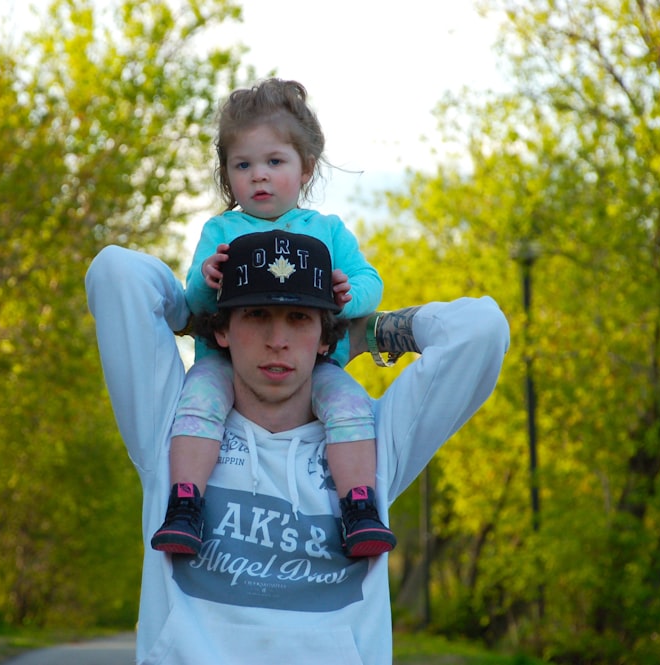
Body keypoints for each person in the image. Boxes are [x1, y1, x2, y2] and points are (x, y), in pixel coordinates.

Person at [85, 229, 510, 665]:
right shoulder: (173, 432)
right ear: (224, 329)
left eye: (300, 318)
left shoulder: (368, 447)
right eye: (255, 314)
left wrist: (372, 331)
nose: (277, 339)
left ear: (325, 337)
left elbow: (481, 331)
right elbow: (117, 272)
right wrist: (195, 312)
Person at [154, 78, 394, 559]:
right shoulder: (221, 230)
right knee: (197, 401)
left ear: (305, 169)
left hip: (316, 367)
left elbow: (371, 281)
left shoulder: (327, 232)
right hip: (229, 363)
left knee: (350, 408)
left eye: (274, 162)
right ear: (228, 175)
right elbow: (197, 301)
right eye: (243, 165)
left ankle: (359, 507)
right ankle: (185, 504)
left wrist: (350, 296)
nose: (258, 176)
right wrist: (207, 276)